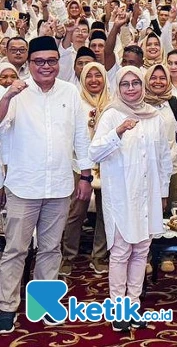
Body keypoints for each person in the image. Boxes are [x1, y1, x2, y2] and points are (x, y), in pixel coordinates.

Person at [0, 36, 94, 333]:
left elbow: (81, 137)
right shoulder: (16, 92)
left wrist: (86, 176)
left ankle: (43, 303)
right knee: (16, 249)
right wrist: (5, 97)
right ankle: (6, 306)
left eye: (51, 61)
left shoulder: (69, 92)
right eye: (38, 61)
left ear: (58, 62)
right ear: (28, 64)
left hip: (58, 185)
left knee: (51, 249)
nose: (45, 66)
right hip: (23, 185)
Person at [89, 66, 172, 332]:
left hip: (148, 195)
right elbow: (94, 152)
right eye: (125, 84)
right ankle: (118, 308)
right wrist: (118, 132)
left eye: (136, 82)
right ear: (118, 87)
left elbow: (163, 158)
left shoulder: (155, 116)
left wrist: (163, 193)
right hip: (122, 195)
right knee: (122, 251)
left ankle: (133, 305)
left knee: (141, 252)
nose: (131, 88)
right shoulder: (112, 114)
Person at [60, 62, 111, 277]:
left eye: (98, 75)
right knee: (76, 212)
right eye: (88, 76)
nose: (93, 80)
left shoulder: (113, 103)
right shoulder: (75, 102)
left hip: (108, 165)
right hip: (79, 165)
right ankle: (68, 256)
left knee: (105, 212)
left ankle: (98, 255)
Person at [144, 64, 177, 273]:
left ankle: (167, 253)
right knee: (148, 210)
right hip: (146, 166)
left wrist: (168, 159)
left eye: (162, 78)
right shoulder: (139, 102)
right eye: (153, 78)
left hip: (172, 164)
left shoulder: (173, 101)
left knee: (170, 209)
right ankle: (147, 255)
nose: (158, 82)